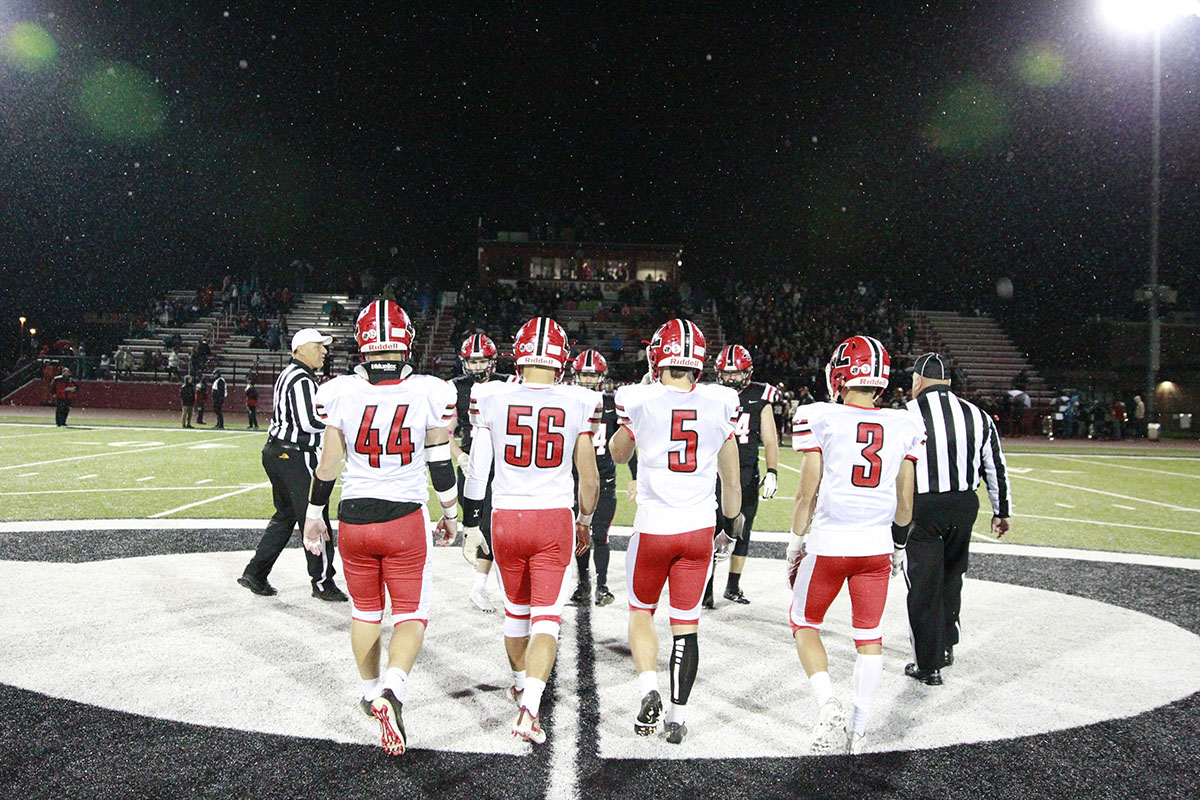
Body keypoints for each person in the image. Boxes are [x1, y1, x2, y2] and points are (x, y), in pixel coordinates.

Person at [302, 300, 460, 757]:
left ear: (362, 341)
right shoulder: (431, 389)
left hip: (354, 515)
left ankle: (371, 694)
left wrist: (315, 514)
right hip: (404, 516)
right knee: (410, 613)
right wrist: (450, 515)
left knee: (366, 612)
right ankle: (393, 689)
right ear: (407, 339)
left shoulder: (338, 391)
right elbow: (438, 462)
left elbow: (328, 464)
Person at [461, 316, 600, 745]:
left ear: (517, 354)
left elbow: (478, 469)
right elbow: (589, 478)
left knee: (517, 613)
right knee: (547, 619)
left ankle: (521, 682)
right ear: (562, 358)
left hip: (505, 517)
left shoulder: (490, 395)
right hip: (552, 517)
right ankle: (530, 708)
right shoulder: (580, 400)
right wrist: (585, 519)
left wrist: (470, 521)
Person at [787, 335, 926, 755]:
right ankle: (859, 730)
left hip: (830, 543)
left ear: (841, 373)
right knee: (870, 637)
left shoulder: (819, 415)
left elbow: (805, 493)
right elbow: (906, 502)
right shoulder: (904, 423)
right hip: (876, 546)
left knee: (803, 623)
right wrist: (898, 547)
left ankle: (828, 704)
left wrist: (796, 544)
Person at [608, 319, 743, 745]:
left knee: (641, 612)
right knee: (686, 625)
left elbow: (617, 452)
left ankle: (649, 688)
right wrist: (730, 530)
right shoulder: (720, 402)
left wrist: (632, 429)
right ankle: (679, 716)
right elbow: (733, 484)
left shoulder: (641, 399)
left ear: (658, 357)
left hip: (653, 529)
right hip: (699, 529)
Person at [902, 352, 1012, 685]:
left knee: (923, 583)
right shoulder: (977, 415)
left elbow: (892, 468)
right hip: (963, 506)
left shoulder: (905, 415)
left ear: (918, 380)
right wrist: (1001, 510)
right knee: (952, 576)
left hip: (921, 506)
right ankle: (947, 645)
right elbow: (995, 466)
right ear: (948, 382)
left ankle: (929, 663)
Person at [238, 327, 348, 601]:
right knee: (316, 517)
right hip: (295, 455)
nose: (324, 351)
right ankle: (323, 582)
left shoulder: (291, 374)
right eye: (318, 346)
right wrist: (342, 418)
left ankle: (255, 573)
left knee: (284, 516)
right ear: (300, 349)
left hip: (277, 452)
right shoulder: (302, 380)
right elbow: (309, 422)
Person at [705, 344, 779, 607]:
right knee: (712, 531)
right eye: (726, 373)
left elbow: (770, 439)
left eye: (737, 373)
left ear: (748, 372)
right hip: (715, 472)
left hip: (747, 472)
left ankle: (733, 586)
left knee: (742, 530)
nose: (731, 378)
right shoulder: (709, 395)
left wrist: (772, 471)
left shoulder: (761, 395)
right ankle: (706, 589)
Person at [449, 333, 516, 612]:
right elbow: (446, 431)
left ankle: (503, 584)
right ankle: (481, 587)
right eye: (472, 361)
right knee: (486, 526)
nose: (476, 367)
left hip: (505, 465)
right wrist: (461, 456)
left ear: (493, 361)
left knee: (507, 525)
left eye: (481, 361)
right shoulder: (455, 388)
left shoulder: (510, 383)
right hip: (474, 465)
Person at [569, 349, 627, 607]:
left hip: (604, 478)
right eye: (584, 375)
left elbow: (628, 442)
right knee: (578, 535)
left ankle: (601, 585)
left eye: (593, 376)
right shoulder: (568, 402)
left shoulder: (613, 403)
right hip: (575, 479)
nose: (589, 381)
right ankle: (583, 583)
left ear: (602, 378)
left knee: (600, 534)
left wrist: (635, 477)